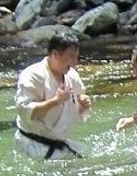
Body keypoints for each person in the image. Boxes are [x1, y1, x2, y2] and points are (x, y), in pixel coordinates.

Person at [13, 30, 91, 159]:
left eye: (76, 57)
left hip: (59, 143)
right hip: (32, 144)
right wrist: (56, 101)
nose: (75, 62)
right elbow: (25, 111)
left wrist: (82, 106)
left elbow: (72, 115)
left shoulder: (72, 75)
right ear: (55, 54)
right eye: (71, 57)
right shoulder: (32, 75)